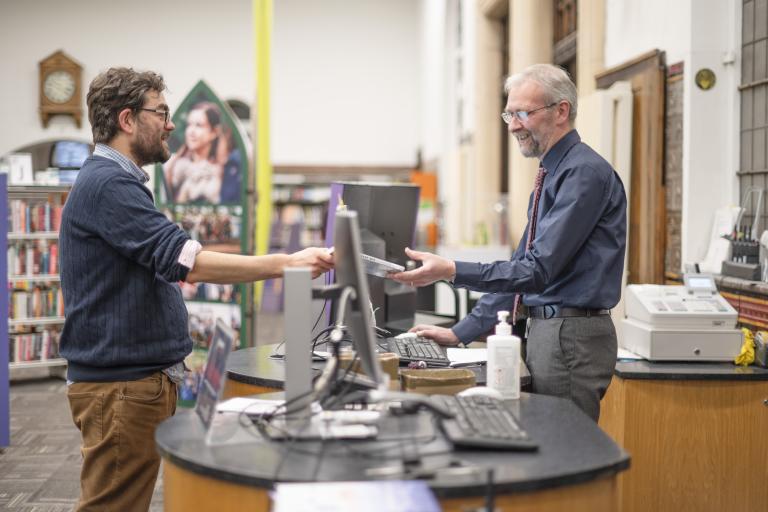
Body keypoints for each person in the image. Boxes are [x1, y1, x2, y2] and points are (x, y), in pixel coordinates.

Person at [59, 67, 334, 512]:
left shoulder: (116, 182)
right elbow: (189, 261)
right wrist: (287, 263)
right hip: (121, 389)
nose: (171, 124)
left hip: (129, 384)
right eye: (162, 112)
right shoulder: (109, 185)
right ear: (128, 120)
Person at [390, 64, 627, 422]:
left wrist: (452, 270)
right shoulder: (553, 173)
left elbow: (536, 270)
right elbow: (521, 272)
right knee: (543, 440)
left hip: (569, 335)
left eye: (523, 113)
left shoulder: (582, 173)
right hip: (552, 331)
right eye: (509, 114)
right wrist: (460, 332)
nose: (513, 125)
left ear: (561, 111)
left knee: (559, 447)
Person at [163, 101, 236, 203]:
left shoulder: (225, 169)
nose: (191, 131)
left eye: (199, 125)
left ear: (214, 132)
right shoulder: (172, 165)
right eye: (189, 125)